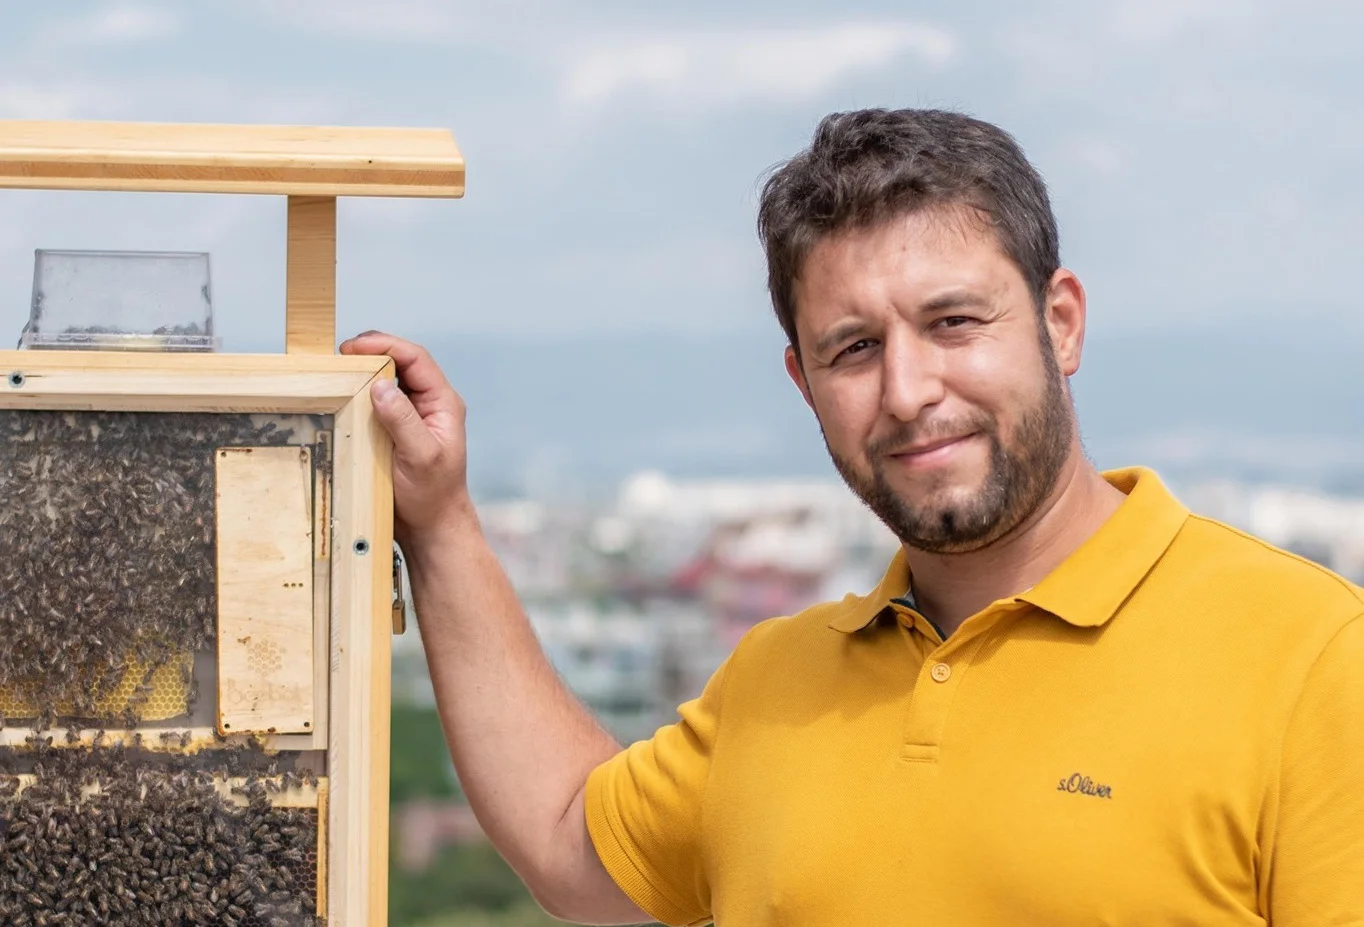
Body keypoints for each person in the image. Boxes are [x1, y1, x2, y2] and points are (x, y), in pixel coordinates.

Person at [340, 108, 1363, 925]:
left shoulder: (1310, 660)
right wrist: (439, 521)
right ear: (803, 383)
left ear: (1060, 324)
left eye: (952, 322)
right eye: (854, 349)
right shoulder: (775, 684)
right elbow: (572, 844)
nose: (909, 391)